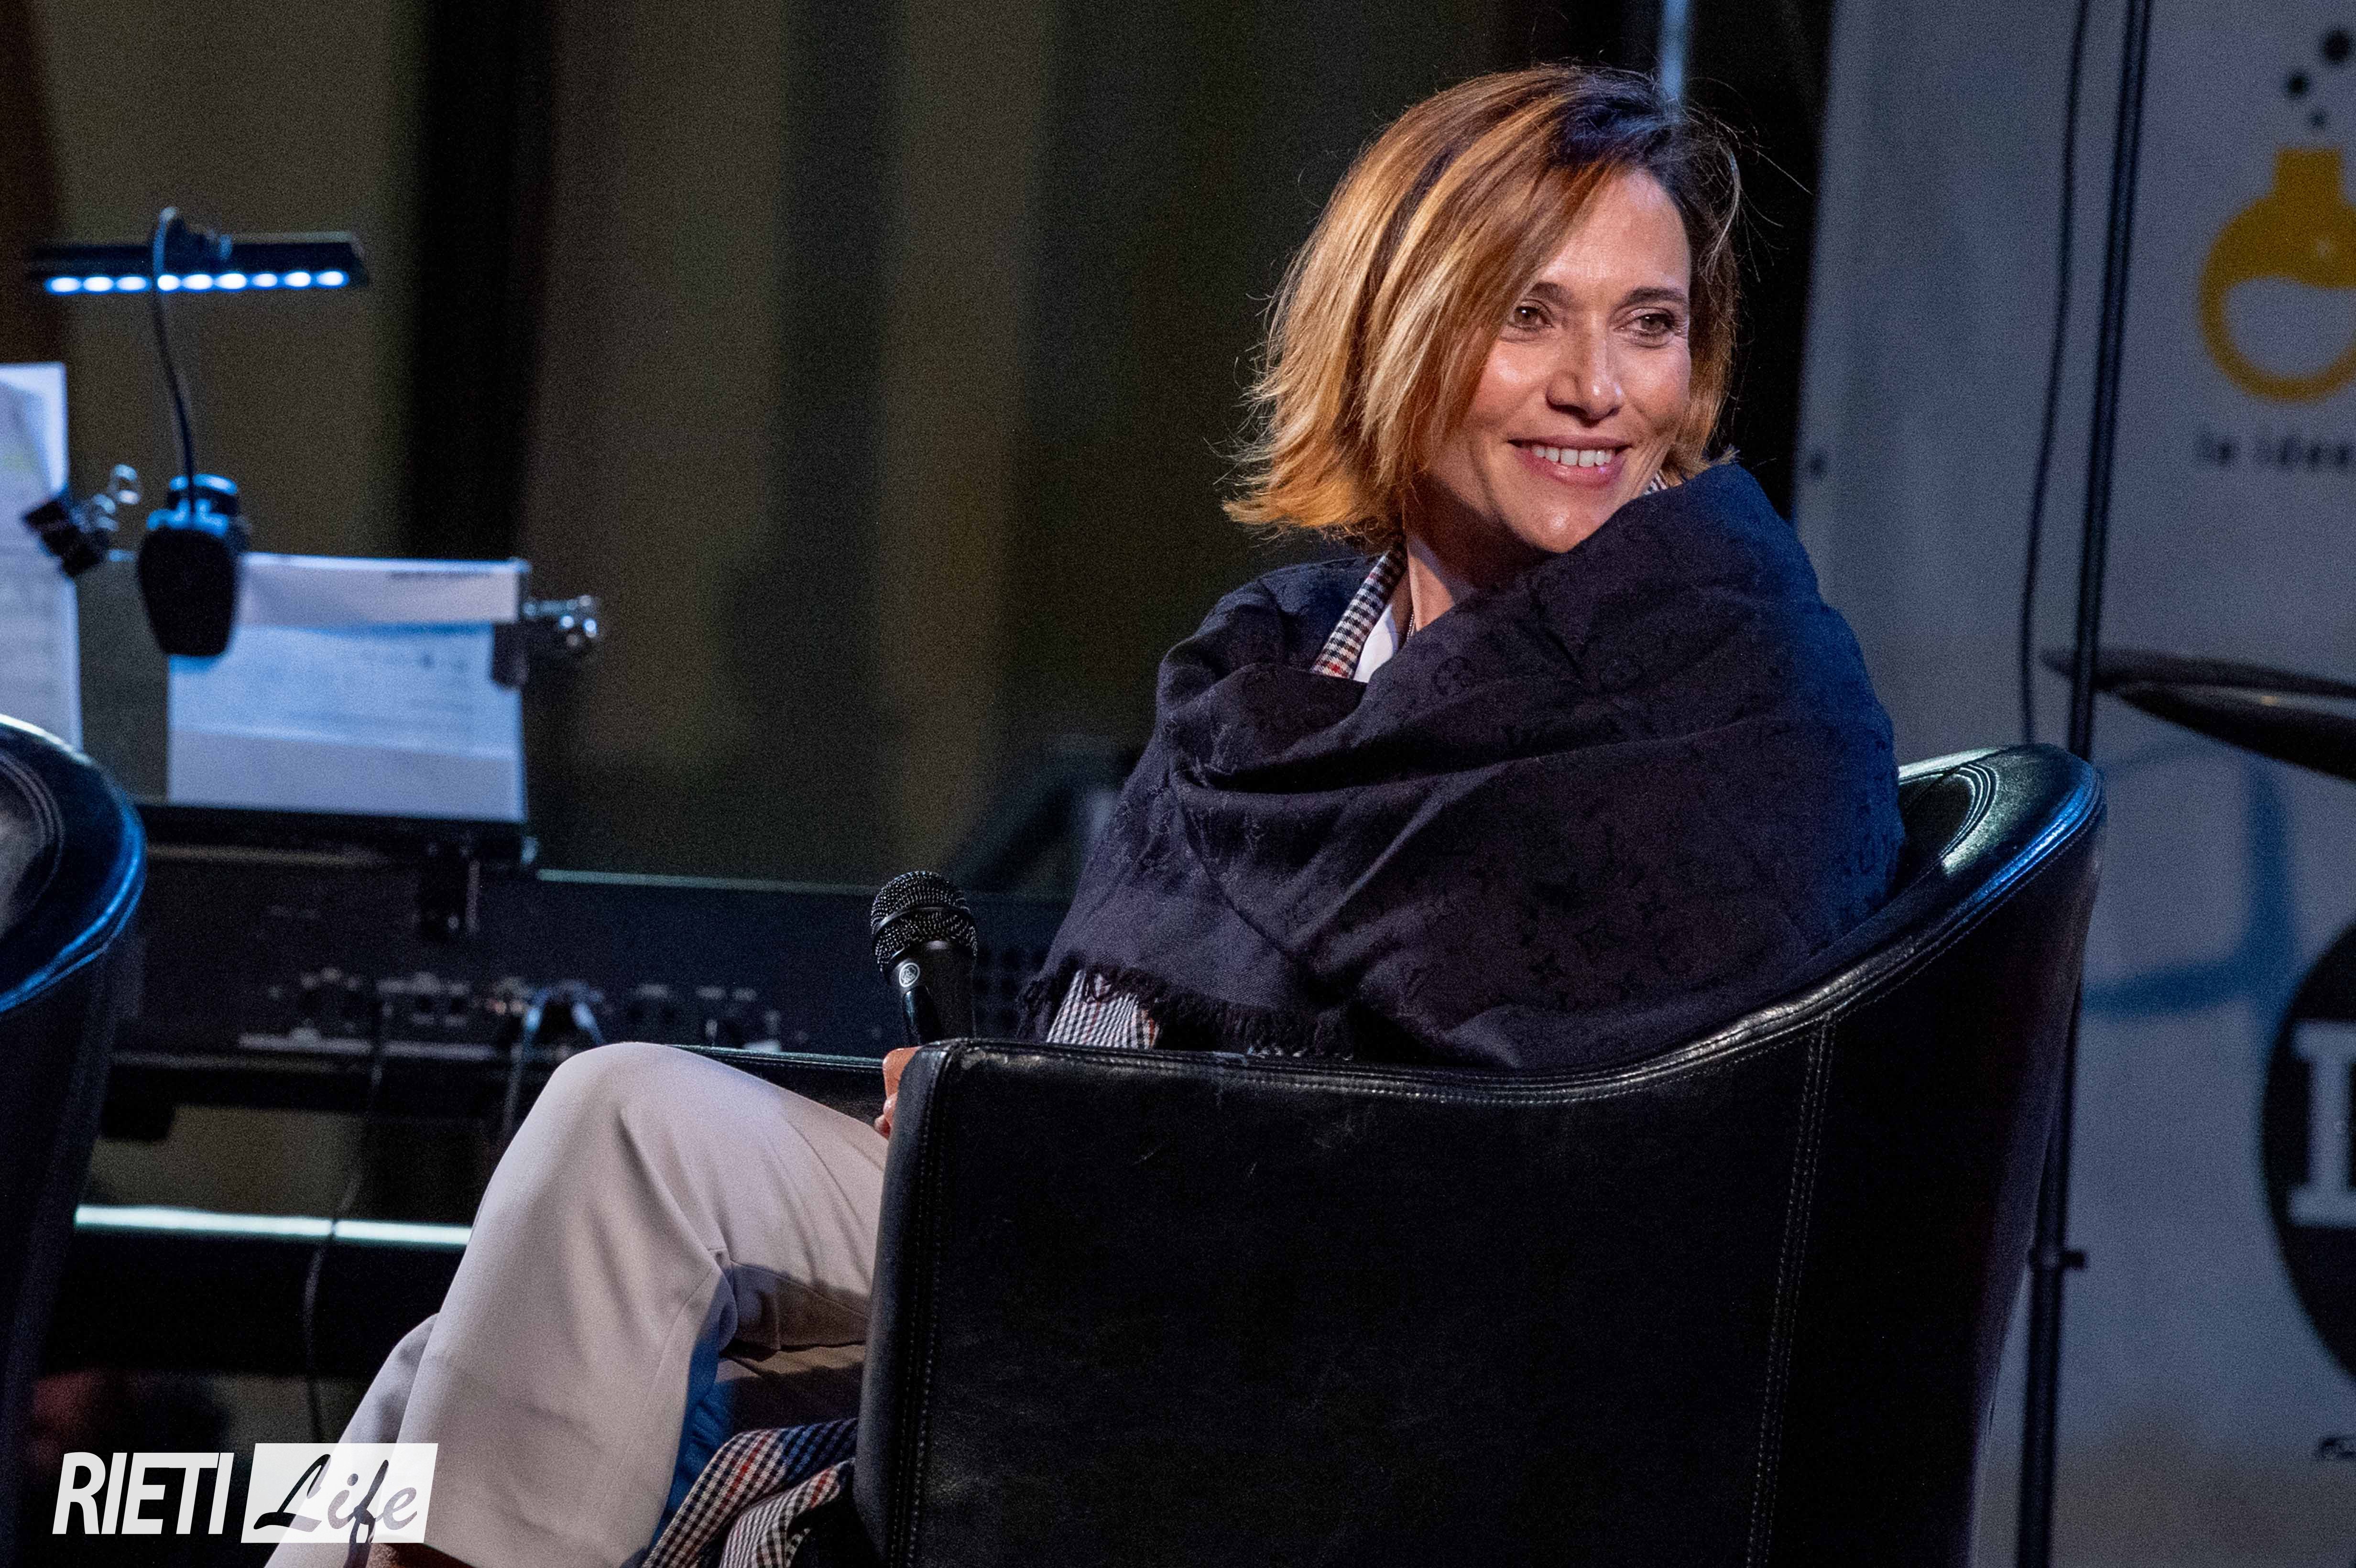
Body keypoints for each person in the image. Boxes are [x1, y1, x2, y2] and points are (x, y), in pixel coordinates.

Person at [301, 62, 1903, 1568]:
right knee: (460, 1359)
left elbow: (1602, 1172)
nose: (1598, 389)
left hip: (1346, 1311)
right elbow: (1137, 1025)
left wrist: (1059, 1131)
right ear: (1392, 333)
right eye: (1530, 317)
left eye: (1649, 326)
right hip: (1110, 1215)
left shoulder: (1729, 691)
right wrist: (1009, 1106)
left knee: (626, 1128)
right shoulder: (1283, 662)